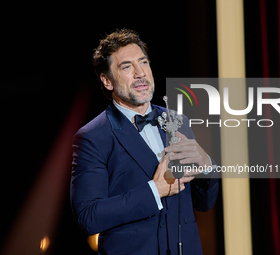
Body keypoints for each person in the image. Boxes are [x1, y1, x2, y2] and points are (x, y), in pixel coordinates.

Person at [70, 28, 218, 255]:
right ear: (107, 81)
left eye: (144, 62)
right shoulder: (92, 137)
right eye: (127, 67)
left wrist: (207, 165)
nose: (140, 73)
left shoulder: (178, 121)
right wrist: (154, 190)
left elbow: (203, 204)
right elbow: (89, 217)